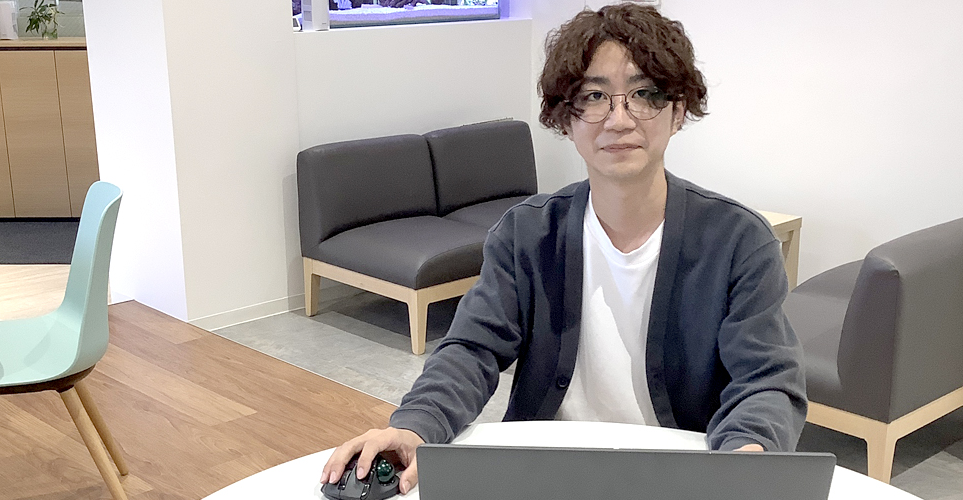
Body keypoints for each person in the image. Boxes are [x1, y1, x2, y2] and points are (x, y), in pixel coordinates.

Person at [321, 2, 807, 495]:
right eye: (594, 96)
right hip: (543, 475)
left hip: (680, 481)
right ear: (566, 120)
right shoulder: (527, 233)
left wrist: (749, 455)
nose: (619, 119)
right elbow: (472, 348)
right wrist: (416, 425)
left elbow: (766, 380)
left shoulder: (739, 242)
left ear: (678, 111)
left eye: (645, 94)